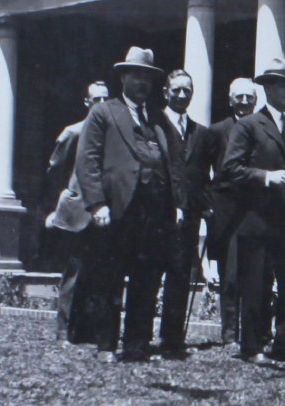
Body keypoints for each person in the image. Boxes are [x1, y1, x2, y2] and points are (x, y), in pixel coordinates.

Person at [75, 47, 174, 363]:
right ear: (123, 77)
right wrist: (96, 204)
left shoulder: (157, 118)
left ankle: (137, 346)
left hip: (153, 212)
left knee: (146, 279)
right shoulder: (104, 113)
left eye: (148, 76)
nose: (143, 82)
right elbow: (87, 160)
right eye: (136, 75)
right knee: (109, 279)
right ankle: (106, 345)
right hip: (117, 210)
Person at [222, 57, 285, 366]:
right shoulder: (249, 125)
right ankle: (252, 347)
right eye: (284, 85)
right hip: (256, 217)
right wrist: (265, 177)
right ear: (269, 88)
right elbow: (230, 169)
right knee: (256, 284)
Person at [45, 81, 109, 344]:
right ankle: (64, 332)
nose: (102, 105)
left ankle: (87, 331)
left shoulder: (112, 134)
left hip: (102, 213)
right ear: (87, 103)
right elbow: (55, 169)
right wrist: (61, 198)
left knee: (97, 272)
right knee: (74, 272)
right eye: (97, 100)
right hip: (76, 214)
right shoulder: (73, 132)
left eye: (106, 100)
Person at [155, 69, 212, 357]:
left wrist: (205, 204)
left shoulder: (200, 132)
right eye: (176, 90)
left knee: (180, 275)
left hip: (189, 214)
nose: (181, 95)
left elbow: (202, 175)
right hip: (158, 213)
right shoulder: (155, 125)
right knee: (152, 273)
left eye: (186, 90)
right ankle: (137, 338)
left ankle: (172, 339)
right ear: (166, 92)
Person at [205, 77, 257, 346]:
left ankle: (255, 331)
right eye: (240, 97)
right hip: (228, 212)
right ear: (230, 100)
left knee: (256, 272)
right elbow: (206, 172)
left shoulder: (262, 127)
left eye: (249, 97)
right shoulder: (216, 131)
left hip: (256, 210)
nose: (245, 102)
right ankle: (229, 333)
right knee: (232, 273)